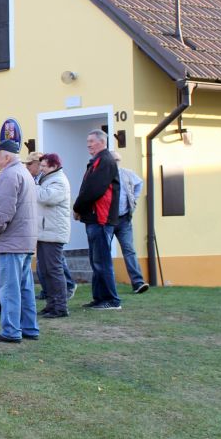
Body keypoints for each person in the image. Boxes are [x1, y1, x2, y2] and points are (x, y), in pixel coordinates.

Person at [0, 140, 39, 343]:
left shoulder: (9, 176)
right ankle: (29, 327)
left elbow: (3, 212)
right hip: (23, 240)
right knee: (25, 289)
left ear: (6, 156)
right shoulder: (24, 173)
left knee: (9, 289)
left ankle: (10, 331)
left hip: (11, 241)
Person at [73, 129, 122, 310]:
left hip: (101, 218)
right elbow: (89, 188)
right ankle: (100, 298)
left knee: (102, 261)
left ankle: (111, 300)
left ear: (102, 142)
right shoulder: (97, 161)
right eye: (88, 141)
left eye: (92, 141)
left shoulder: (105, 161)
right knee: (97, 261)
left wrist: (78, 207)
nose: (88, 144)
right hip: (94, 218)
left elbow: (94, 190)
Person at [36, 153, 72, 318]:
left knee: (54, 270)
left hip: (53, 232)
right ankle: (51, 305)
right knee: (45, 270)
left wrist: (32, 185)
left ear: (54, 166)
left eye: (44, 166)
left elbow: (46, 197)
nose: (41, 168)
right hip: (45, 231)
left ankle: (60, 307)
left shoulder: (59, 181)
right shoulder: (47, 179)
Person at [112, 151, 148, 294]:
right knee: (103, 252)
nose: (116, 162)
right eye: (114, 160)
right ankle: (107, 285)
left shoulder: (127, 173)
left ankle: (138, 283)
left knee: (129, 250)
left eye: (118, 160)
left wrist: (134, 199)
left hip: (124, 219)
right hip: (107, 220)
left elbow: (139, 183)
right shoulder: (103, 176)